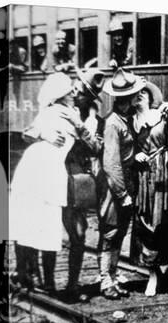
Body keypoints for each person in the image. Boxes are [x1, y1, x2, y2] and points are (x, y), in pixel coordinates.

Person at [10, 73, 81, 292]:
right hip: (40, 169)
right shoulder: (59, 113)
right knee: (40, 223)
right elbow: (28, 134)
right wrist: (45, 136)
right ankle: (33, 277)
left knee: (41, 223)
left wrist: (42, 135)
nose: (74, 93)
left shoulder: (61, 113)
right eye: (70, 91)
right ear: (61, 95)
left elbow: (28, 134)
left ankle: (36, 277)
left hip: (45, 168)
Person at [97, 68, 146, 299]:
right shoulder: (112, 124)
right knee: (110, 232)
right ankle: (105, 280)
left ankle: (113, 277)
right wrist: (122, 194)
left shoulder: (126, 119)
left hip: (126, 183)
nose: (137, 99)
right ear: (125, 99)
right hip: (114, 187)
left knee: (119, 233)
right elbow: (111, 164)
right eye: (134, 96)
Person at [59, 68, 106, 302]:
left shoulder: (95, 121)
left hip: (78, 180)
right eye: (78, 89)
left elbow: (96, 148)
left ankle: (71, 284)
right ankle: (40, 280)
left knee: (79, 232)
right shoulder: (61, 111)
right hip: (58, 174)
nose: (77, 93)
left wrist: (84, 128)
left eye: (83, 92)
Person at [132, 81, 168, 296]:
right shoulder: (131, 121)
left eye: (144, 92)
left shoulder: (163, 114)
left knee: (166, 221)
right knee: (147, 223)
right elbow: (127, 148)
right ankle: (152, 274)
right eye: (136, 94)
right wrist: (136, 155)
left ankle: (162, 267)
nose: (140, 96)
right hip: (145, 177)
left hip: (165, 172)